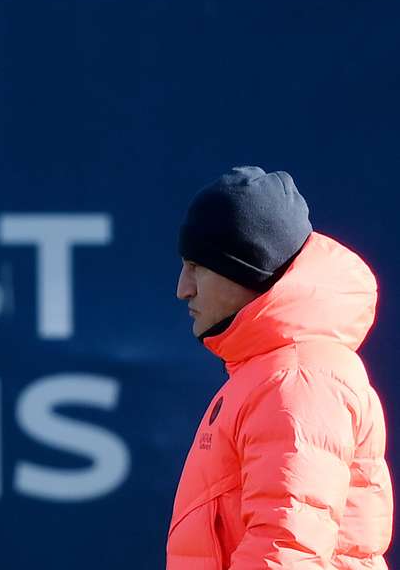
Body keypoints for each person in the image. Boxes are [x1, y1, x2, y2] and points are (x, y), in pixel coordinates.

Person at [166, 167, 393, 569]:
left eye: (198, 267)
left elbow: (286, 552)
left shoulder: (297, 379)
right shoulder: (274, 373)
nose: (183, 288)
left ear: (247, 269)